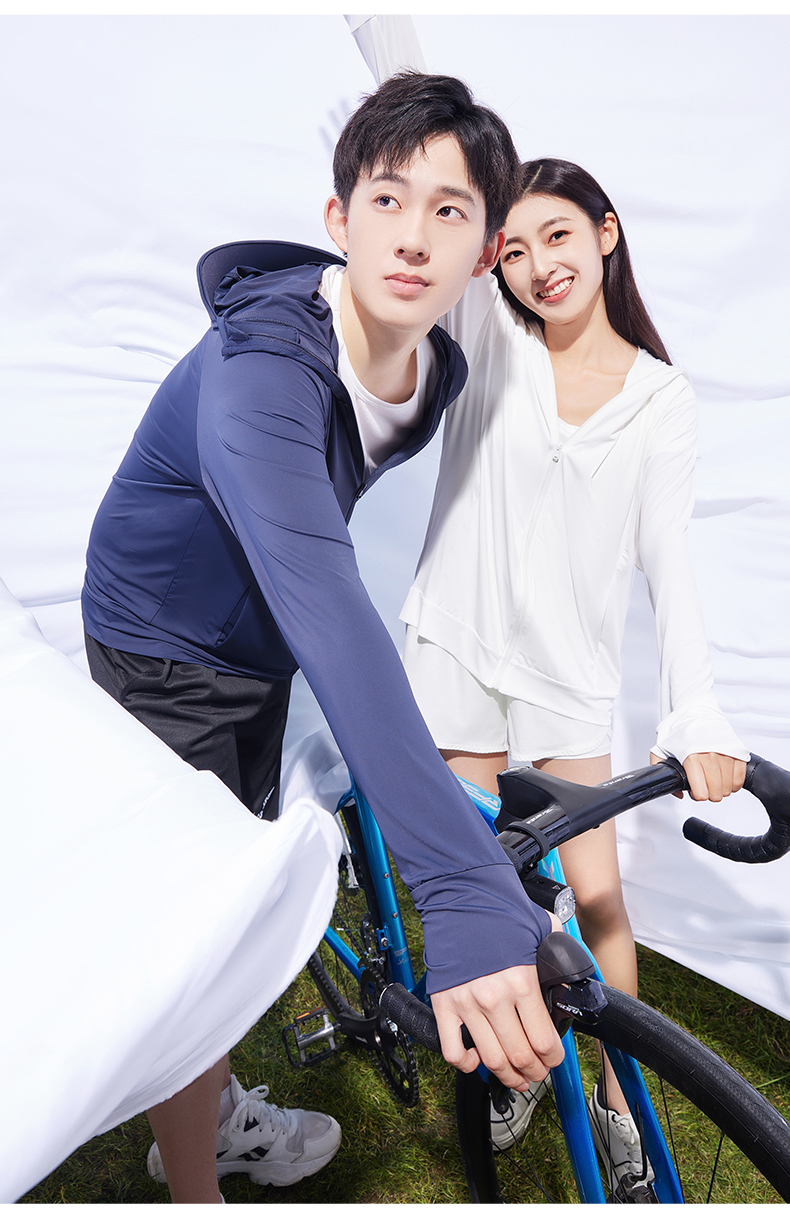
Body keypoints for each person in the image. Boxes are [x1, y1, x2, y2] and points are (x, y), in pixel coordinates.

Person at [81, 73, 565, 1204]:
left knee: (248, 859)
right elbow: (329, 607)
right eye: (387, 200)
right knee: (198, 931)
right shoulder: (258, 379)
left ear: (486, 253)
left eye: (449, 211)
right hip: (166, 644)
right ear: (338, 218)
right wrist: (461, 887)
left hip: (259, 621)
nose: (414, 236)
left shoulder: (434, 363)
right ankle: (194, 1176)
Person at [401, 158, 750, 1180]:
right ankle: (508, 1073)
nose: (537, 266)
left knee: (596, 902)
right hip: (457, 651)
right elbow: (436, 194)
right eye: (512, 250)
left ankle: (617, 1096)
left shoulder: (660, 398)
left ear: (605, 232)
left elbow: (668, 561)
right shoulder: (489, 337)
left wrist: (696, 711)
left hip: (566, 678)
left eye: (557, 235)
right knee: (488, 890)